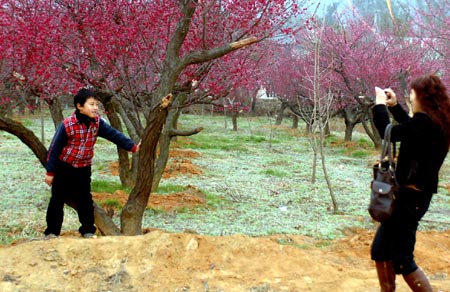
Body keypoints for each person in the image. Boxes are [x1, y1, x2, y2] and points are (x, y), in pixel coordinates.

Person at [371, 74, 450, 291]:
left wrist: (379, 106)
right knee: (381, 250)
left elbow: (390, 133)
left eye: (412, 95)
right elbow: (411, 130)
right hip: (409, 197)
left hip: (410, 200)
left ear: (423, 97)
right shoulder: (435, 121)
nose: (410, 98)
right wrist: (395, 106)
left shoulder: (425, 123)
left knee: (403, 259)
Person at [44, 88, 140, 238]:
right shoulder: (68, 125)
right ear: (79, 106)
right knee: (57, 198)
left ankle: (87, 229)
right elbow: (54, 149)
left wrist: (131, 146)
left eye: (96, 104)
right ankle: (52, 231)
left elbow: (113, 134)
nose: (95, 108)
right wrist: (50, 172)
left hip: (83, 167)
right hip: (64, 166)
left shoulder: (97, 123)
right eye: (91, 104)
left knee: (84, 198)